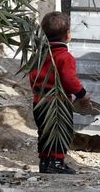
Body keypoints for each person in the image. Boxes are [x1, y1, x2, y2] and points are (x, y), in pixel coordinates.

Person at [28, 11, 93, 174]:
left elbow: (33, 77)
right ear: (68, 35)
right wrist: (82, 94)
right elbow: (69, 80)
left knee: (44, 132)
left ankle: (45, 162)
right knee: (60, 131)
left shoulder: (39, 55)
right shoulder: (65, 57)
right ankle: (56, 163)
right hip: (57, 104)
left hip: (39, 102)